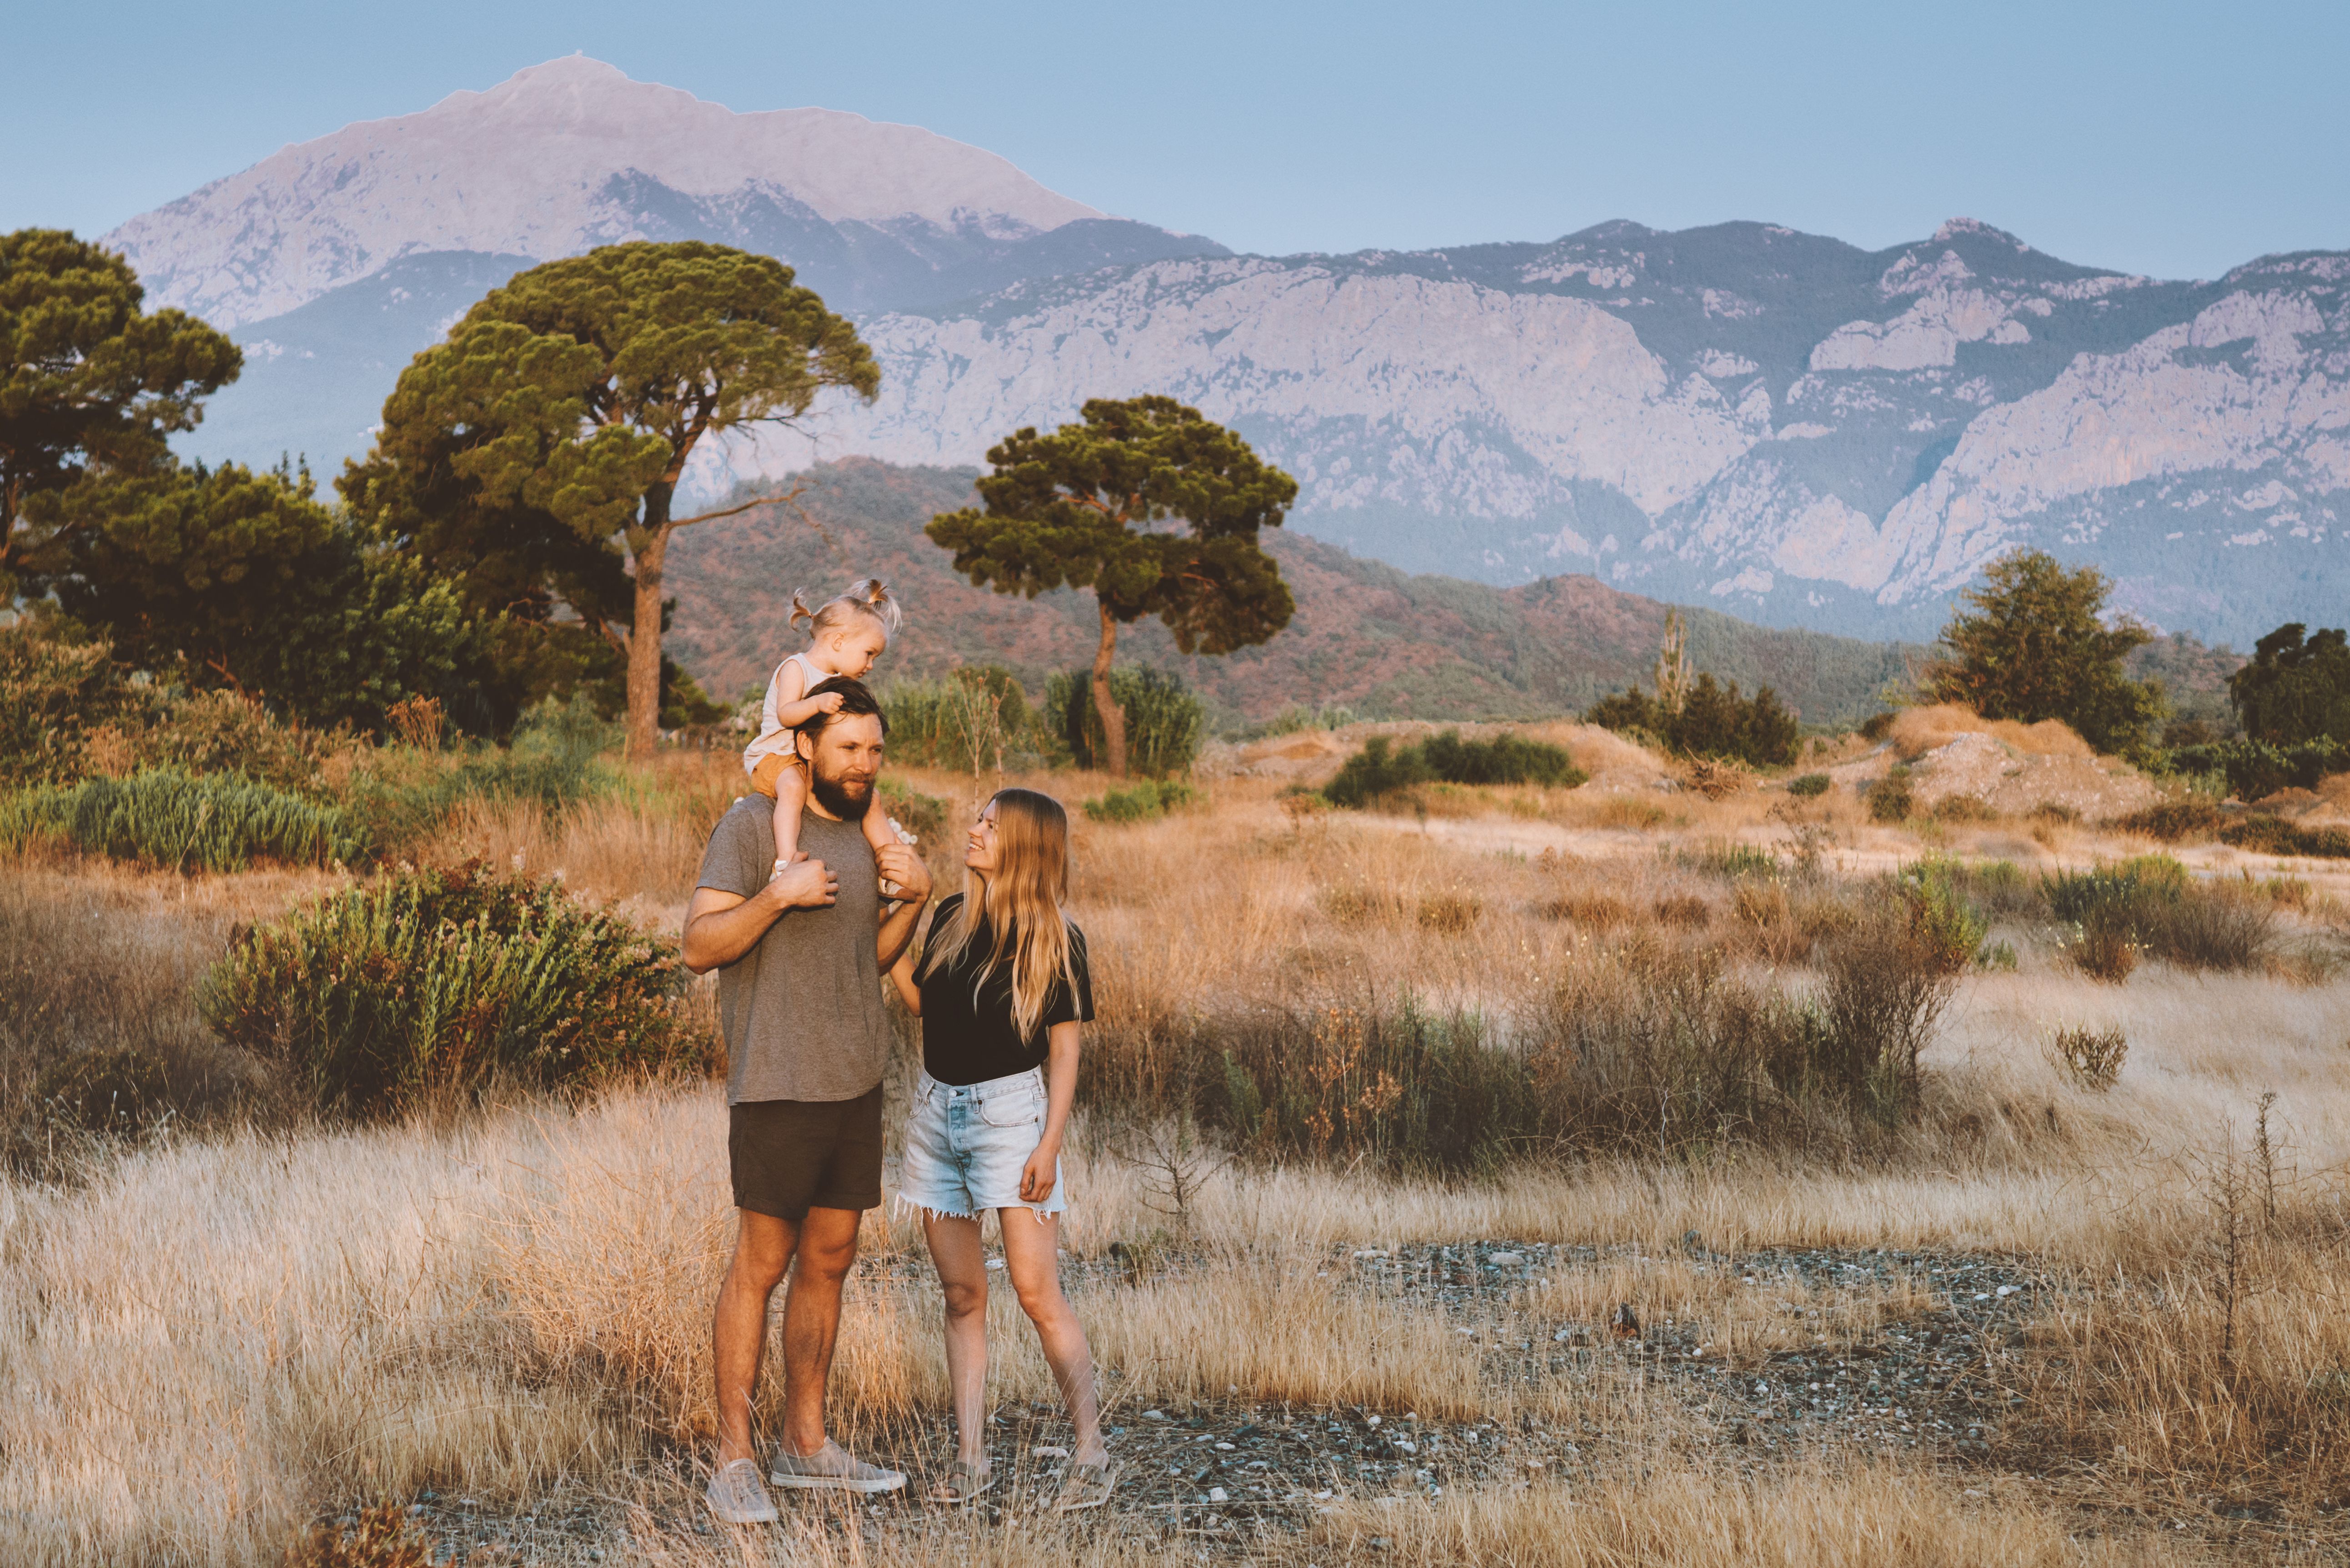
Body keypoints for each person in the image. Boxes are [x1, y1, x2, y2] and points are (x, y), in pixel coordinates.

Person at [684, 676, 934, 1525]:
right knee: (760, 1263)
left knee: (828, 1262)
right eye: (847, 749)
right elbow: (697, 944)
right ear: (807, 748)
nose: (863, 765)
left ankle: (806, 1443)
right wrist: (775, 896)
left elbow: (865, 958)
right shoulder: (753, 827)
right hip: (777, 1078)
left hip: (854, 1080)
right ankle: (733, 1457)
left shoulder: (873, 837)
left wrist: (914, 899)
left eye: (874, 749)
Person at [885, 788, 1118, 1511]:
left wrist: (1049, 1144)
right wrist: (889, 933)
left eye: (991, 824)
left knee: (1036, 1292)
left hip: (1011, 1119)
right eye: (979, 819)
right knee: (962, 1295)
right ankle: (971, 1460)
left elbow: (1067, 1050)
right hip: (933, 1114)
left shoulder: (1055, 936)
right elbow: (923, 1004)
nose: (974, 830)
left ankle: (1093, 1453)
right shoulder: (953, 917)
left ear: (1025, 845)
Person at [742, 579, 905, 885]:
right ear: (839, 642)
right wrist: (817, 702)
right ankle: (785, 861)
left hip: (807, 760)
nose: (870, 665)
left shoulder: (835, 678)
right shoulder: (797, 668)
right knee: (792, 789)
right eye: (868, 654)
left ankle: (893, 865)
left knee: (872, 799)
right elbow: (786, 714)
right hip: (775, 755)